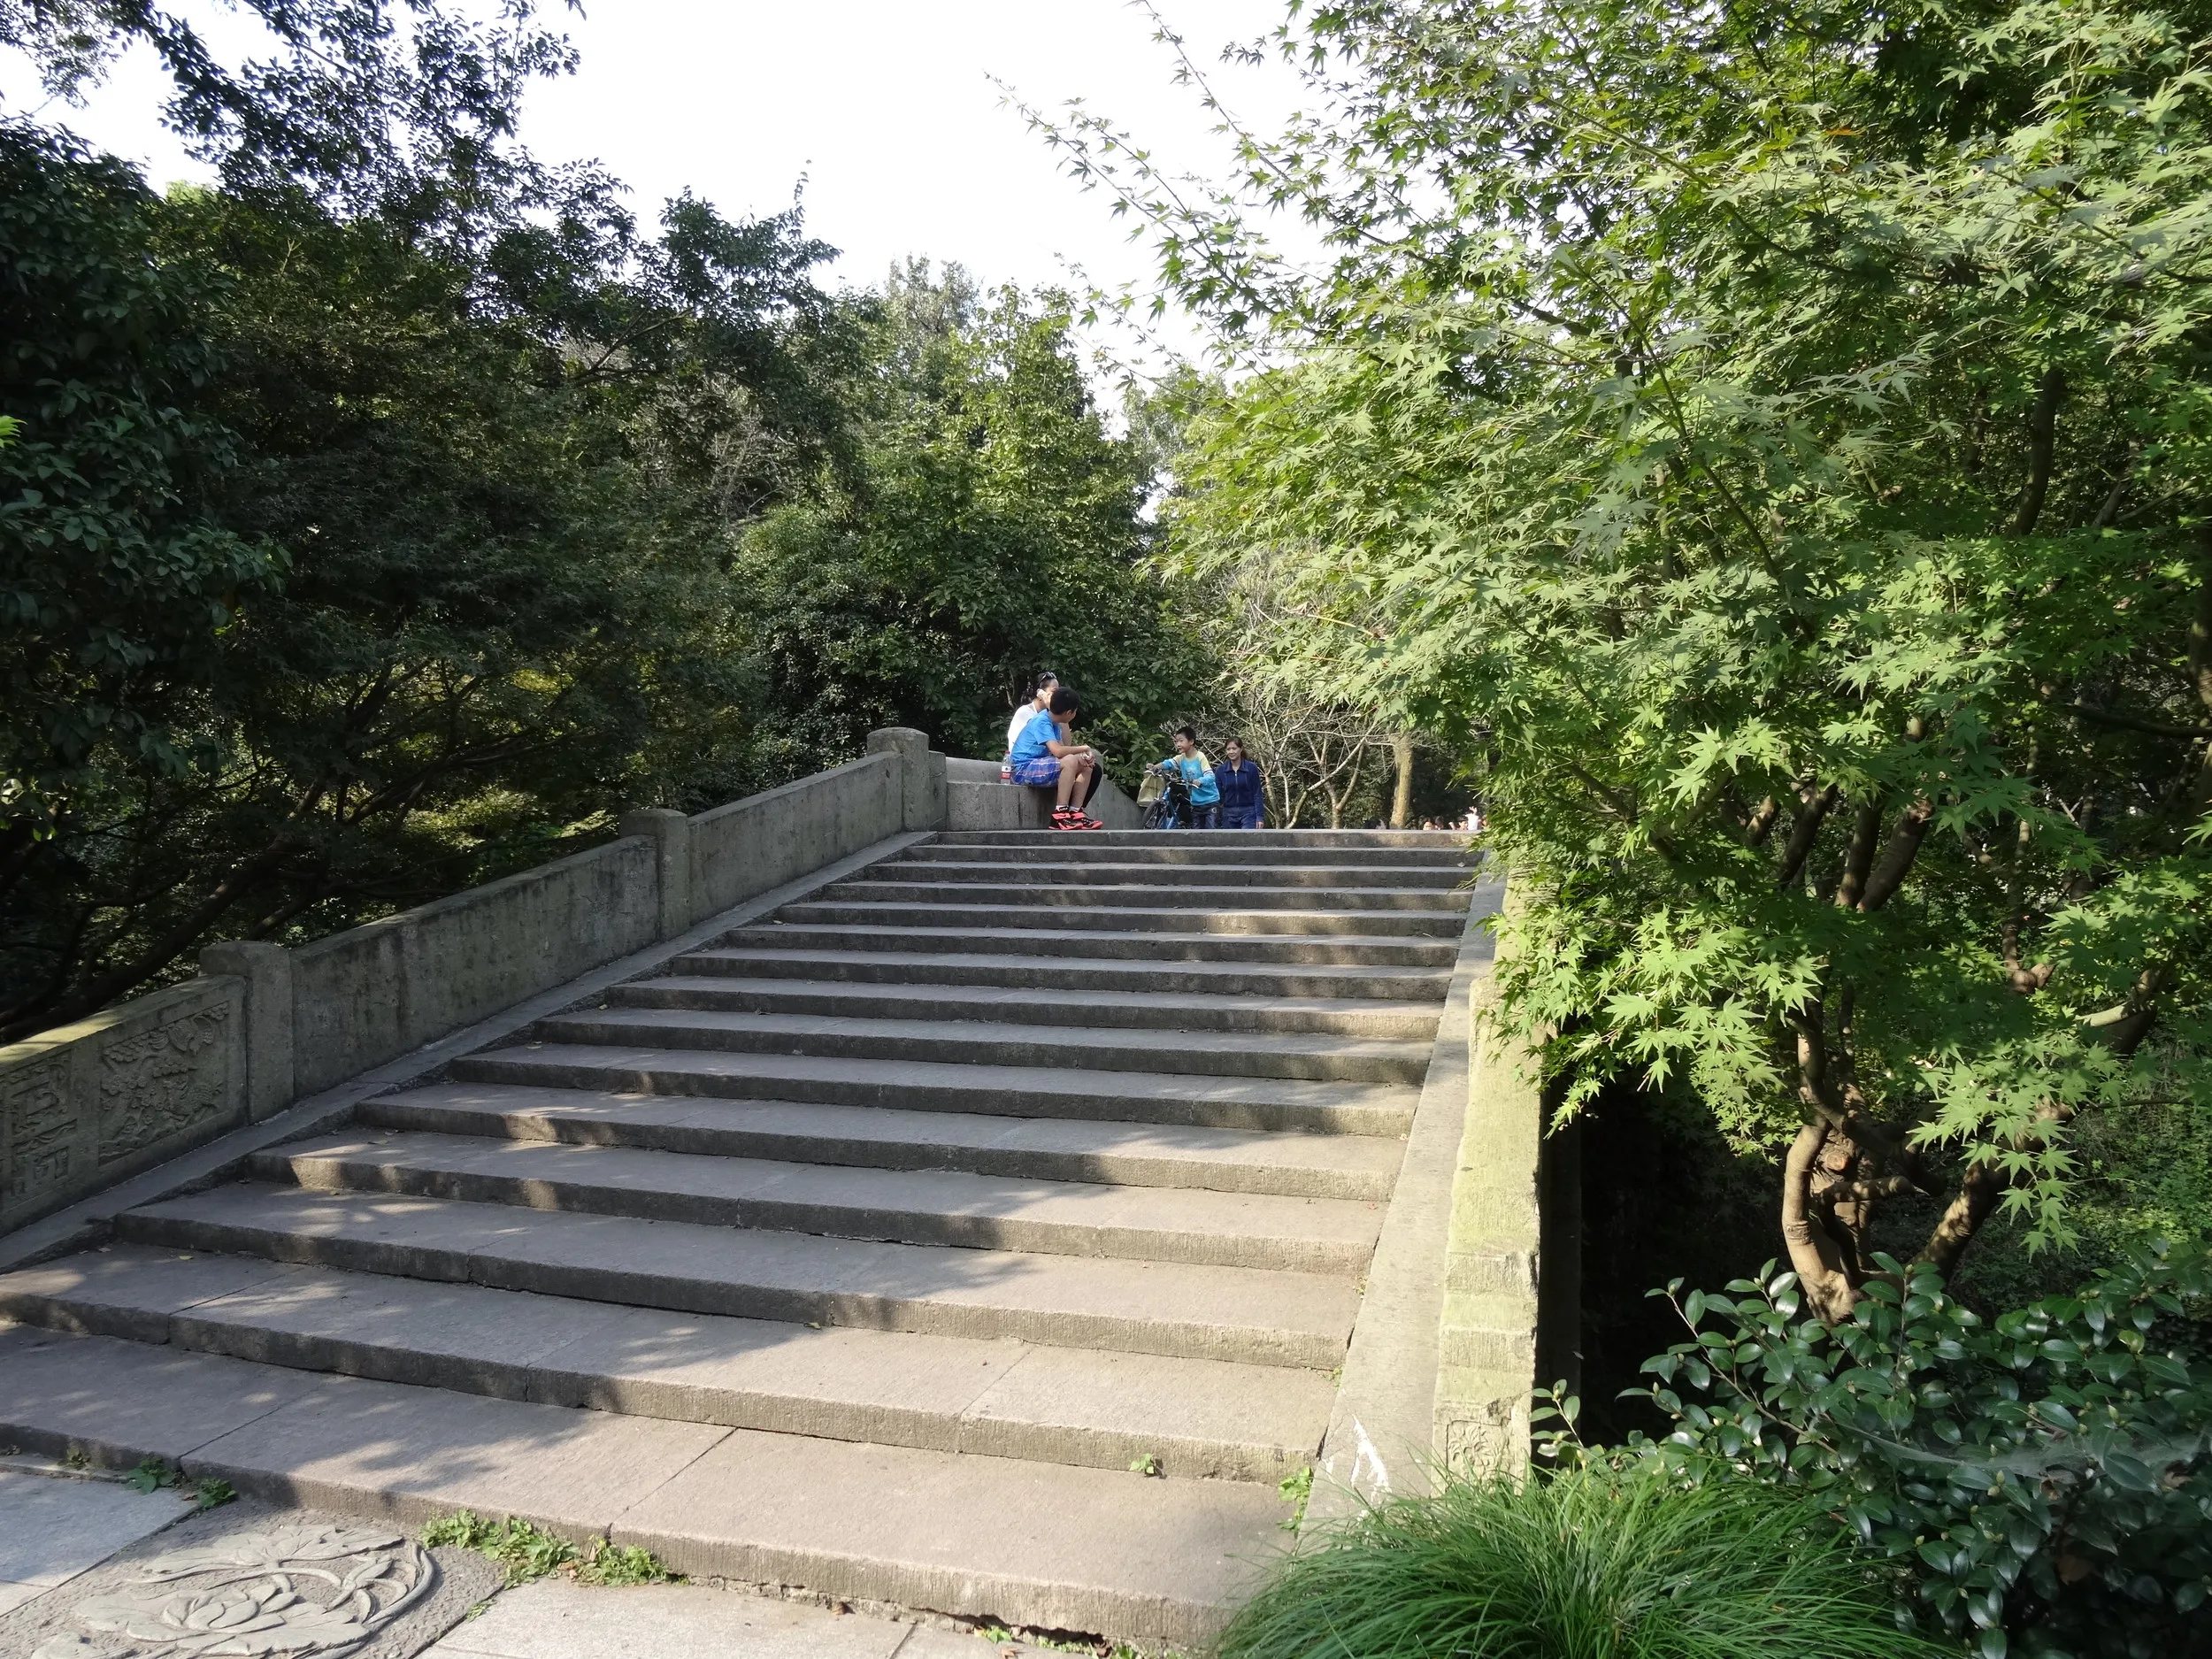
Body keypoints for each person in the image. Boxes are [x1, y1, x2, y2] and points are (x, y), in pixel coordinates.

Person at [1008, 685, 1102, 829]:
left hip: (1037, 765)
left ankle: (1075, 812)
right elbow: (1057, 752)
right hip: (1021, 769)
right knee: (1070, 761)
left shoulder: (1054, 723)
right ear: (1070, 713)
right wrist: (1084, 747)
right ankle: (1060, 814)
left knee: (1085, 764)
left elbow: (1062, 750)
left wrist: (1082, 755)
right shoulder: (1042, 721)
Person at [1158, 726, 1221, 829]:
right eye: (1176, 741)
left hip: (1210, 802)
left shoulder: (1200, 757)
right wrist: (1156, 767)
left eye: (1181, 741)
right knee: (1196, 834)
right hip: (1195, 803)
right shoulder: (1181, 758)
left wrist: (1200, 781)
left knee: (1211, 832)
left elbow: (1210, 776)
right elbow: (1169, 763)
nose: (1178, 744)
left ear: (1191, 741)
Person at [1002, 672, 1057, 780]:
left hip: (1043, 763)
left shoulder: (1052, 716)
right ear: (1040, 693)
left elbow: (1065, 744)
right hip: (1024, 766)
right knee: (1071, 764)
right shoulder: (1026, 713)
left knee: (1088, 768)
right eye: (1055, 692)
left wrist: (1061, 712)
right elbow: (1055, 750)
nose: (1059, 696)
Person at [1216, 737, 1265, 830]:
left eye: (1234, 748)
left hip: (1249, 813)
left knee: (1247, 842)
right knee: (1231, 843)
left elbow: (1257, 794)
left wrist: (1259, 817)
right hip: (1229, 814)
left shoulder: (1251, 768)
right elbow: (1218, 795)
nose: (1231, 752)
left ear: (1241, 749)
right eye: (1228, 749)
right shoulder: (1221, 770)